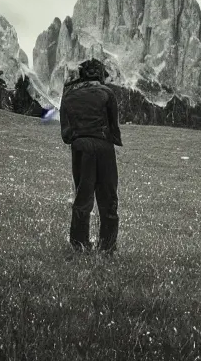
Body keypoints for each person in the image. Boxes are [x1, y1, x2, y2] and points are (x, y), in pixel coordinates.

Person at [60, 59, 122, 254]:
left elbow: (66, 133)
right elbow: (114, 127)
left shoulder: (69, 94)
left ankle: (79, 244)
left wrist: (79, 138)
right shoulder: (107, 93)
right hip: (104, 146)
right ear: (100, 74)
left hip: (80, 147)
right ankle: (107, 247)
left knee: (82, 197)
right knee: (108, 198)